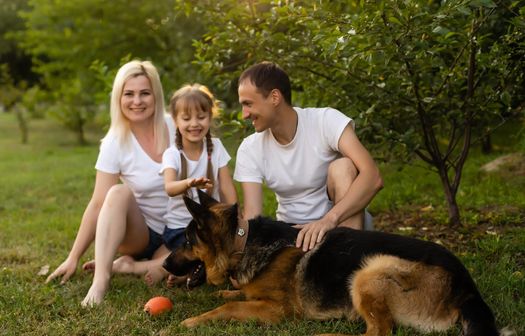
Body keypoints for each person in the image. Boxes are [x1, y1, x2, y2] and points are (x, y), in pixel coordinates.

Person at [45, 60, 175, 307]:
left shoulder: (175, 125)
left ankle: (129, 267)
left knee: (192, 259)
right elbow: (97, 204)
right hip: (140, 233)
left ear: (156, 95)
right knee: (117, 192)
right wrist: (73, 257)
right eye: (129, 94)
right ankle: (101, 279)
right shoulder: (115, 141)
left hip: (178, 232)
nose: (137, 101)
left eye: (144, 93)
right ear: (119, 97)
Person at [234, 62, 383, 252]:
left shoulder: (325, 121)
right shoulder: (250, 148)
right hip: (292, 233)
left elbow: (373, 176)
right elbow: (252, 216)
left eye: (248, 104)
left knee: (344, 166)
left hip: (343, 224)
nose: (244, 114)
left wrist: (328, 220)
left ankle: (348, 259)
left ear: (274, 97)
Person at [159, 83, 237, 286]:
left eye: (201, 117)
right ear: (175, 121)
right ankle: (143, 267)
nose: (194, 124)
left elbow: (227, 187)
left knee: (227, 252)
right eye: (186, 118)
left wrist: (235, 215)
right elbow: (169, 187)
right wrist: (188, 183)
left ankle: (181, 269)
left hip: (210, 228)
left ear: (210, 117)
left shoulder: (216, 148)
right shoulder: (173, 154)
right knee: (198, 256)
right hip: (180, 229)